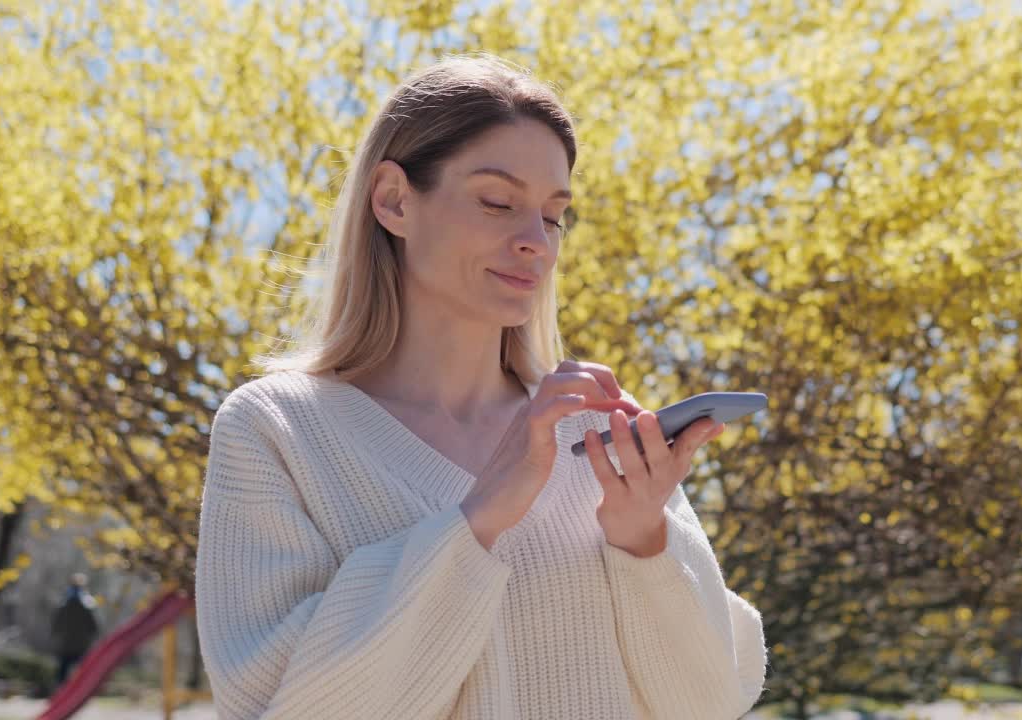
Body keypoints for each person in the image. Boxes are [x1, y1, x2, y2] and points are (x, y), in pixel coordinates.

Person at [195, 53, 767, 719]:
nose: (536, 242)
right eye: (498, 203)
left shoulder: (590, 429)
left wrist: (644, 541)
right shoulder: (276, 431)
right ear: (394, 200)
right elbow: (281, 705)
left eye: (554, 216)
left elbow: (709, 703)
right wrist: (479, 519)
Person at [50, 572, 99, 689]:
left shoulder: (64, 602)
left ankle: (60, 691)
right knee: (81, 669)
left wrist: (55, 635)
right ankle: (81, 689)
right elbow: (93, 626)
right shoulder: (88, 604)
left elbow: (57, 623)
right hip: (81, 643)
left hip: (66, 642)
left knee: (63, 670)